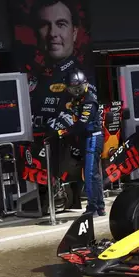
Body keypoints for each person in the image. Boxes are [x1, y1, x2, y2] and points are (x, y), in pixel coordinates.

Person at [28, 0, 96, 134]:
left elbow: (83, 119)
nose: (52, 33)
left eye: (61, 24)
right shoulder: (30, 79)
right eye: (45, 25)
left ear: (74, 32)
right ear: (36, 33)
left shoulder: (83, 77)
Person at [60, 69, 104, 216]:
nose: (77, 92)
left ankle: (93, 207)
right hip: (86, 138)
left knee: (90, 174)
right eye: (73, 89)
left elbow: (82, 124)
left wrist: (64, 132)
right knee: (94, 174)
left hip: (93, 137)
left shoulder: (90, 101)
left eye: (79, 88)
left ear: (85, 85)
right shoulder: (77, 101)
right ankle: (100, 206)